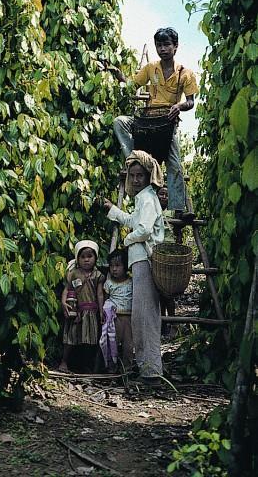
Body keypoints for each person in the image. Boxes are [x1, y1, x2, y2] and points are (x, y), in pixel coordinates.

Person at [112, 27, 198, 217]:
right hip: (146, 120)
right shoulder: (151, 68)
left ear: (175, 47)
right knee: (120, 122)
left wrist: (179, 106)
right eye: (159, 45)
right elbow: (131, 85)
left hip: (167, 123)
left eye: (167, 45)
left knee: (175, 164)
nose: (163, 49)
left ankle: (178, 209)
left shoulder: (185, 73)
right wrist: (119, 76)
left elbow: (191, 101)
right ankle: (132, 157)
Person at [104, 150, 164, 384]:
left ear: (149, 176)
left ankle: (151, 373)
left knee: (146, 316)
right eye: (133, 175)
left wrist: (127, 240)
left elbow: (145, 230)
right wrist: (113, 210)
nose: (136, 179)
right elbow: (133, 221)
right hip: (139, 261)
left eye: (140, 175)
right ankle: (146, 369)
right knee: (141, 316)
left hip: (145, 260)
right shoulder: (142, 199)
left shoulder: (148, 198)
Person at [58, 240, 104, 373]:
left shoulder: (98, 275)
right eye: (82, 257)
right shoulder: (73, 273)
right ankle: (64, 362)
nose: (86, 260)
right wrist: (63, 302)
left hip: (91, 312)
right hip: (75, 310)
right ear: (77, 259)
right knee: (71, 338)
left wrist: (101, 312)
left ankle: (86, 365)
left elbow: (100, 294)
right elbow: (66, 289)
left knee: (90, 340)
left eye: (89, 256)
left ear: (95, 258)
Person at [100, 248, 134, 372]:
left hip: (129, 318)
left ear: (125, 266)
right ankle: (111, 369)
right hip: (114, 318)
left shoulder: (131, 282)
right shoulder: (109, 284)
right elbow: (106, 300)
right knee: (112, 343)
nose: (114, 269)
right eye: (111, 266)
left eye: (118, 266)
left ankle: (127, 369)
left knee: (128, 346)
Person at [157, 186, 176, 337]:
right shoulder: (154, 211)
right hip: (157, 253)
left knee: (168, 293)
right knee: (159, 292)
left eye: (166, 194)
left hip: (170, 253)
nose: (164, 197)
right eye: (161, 194)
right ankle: (163, 324)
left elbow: (179, 227)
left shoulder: (172, 212)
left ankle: (173, 322)